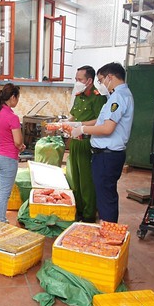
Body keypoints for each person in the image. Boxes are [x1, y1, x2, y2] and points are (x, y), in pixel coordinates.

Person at [71, 62, 134, 223]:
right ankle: (107, 230)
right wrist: (79, 125)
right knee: (105, 196)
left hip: (107, 155)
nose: (101, 84)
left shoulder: (118, 97)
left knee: (105, 199)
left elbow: (107, 128)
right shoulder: (119, 95)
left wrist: (83, 130)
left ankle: (107, 234)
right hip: (106, 154)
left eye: (101, 80)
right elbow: (101, 122)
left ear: (110, 77)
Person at [62, 66, 108, 222]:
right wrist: (64, 124)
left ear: (89, 80)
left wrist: (81, 126)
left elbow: (99, 120)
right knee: (74, 178)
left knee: (87, 180)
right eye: (76, 79)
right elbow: (73, 117)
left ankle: (89, 213)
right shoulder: (79, 96)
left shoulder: (98, 97)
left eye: (80, 79)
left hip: (87, 143)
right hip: (74, 142)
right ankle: (79, 209)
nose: (77, 82)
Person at [0, 83, 26, 223]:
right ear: (13, 97)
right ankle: (1, 222)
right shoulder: (12, 117)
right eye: (18, 97)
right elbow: (17, 141)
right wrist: (21, 146)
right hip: (8, 158)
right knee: (3, 193)